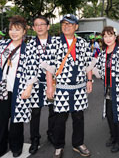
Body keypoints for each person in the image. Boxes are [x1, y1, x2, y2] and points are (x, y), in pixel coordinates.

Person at [42, 14, 93, 158]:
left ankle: (78, 143)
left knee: (78, 117)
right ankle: (59, 146)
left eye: (70, 24)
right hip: (62, 87)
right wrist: (49, 86)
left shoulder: (83, 43)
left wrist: (89, 80)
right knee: (60, 118)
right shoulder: (54, 43)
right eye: (64, 24)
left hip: (79, 86)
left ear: (76, 27)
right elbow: (49, 68)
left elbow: (88, 64)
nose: (66, 26)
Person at [0, 16, 36, 158]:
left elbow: (33, 70)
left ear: (24, 31)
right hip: (2, 87)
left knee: (16, 119)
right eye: (11, 29)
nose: (13, 32)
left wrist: (29, 88)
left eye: (17, 30)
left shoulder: (28, 48)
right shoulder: (3, 46)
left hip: (19, 88)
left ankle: (16, 146)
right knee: (2, 118)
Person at [93, 26, 119, 153]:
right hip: (108, 89)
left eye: (110, 35)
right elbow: (100, 71)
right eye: (105, 36)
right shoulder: (103, 52)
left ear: (115, 36)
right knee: (110, 115)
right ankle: (113, 136)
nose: (108, 39)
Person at [27, 16, 57, 154]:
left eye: (42, 24)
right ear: (33, 28)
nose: (39, 27)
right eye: (36, 25)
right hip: (36, 83)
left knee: (53, 110)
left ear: (48, 26)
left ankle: (51, 133)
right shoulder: (29, 45)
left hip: (53, 83)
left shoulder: (57, 43)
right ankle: (34, 139)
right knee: (36, 112)